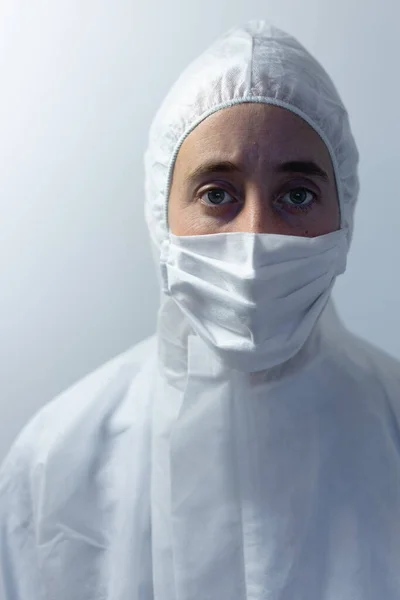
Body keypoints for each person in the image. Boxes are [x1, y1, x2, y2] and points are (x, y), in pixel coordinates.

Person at [1, 18, 400, 600]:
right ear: (163, 218)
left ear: (345, 217)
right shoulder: (54, 462)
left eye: (297, 194)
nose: (256, 237)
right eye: (217, 193)